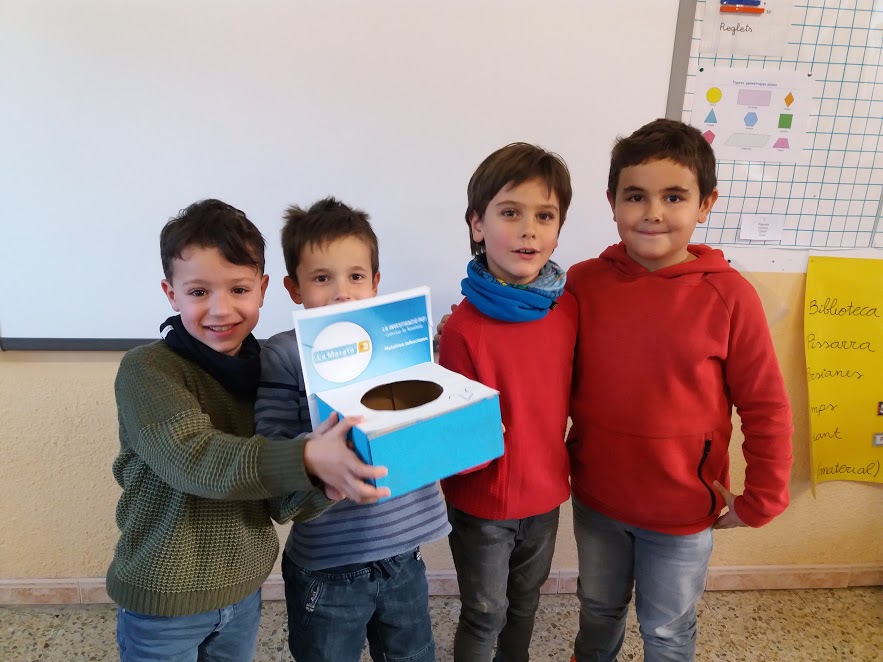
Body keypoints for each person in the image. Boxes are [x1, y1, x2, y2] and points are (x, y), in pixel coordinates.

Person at [107, 198, 388, 662]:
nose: (221, 309)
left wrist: (327, 483)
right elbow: (193, 459)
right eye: (199, 292)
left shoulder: (265, 371)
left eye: (238, 289)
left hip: (243, 594)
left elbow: (279, 502)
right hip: (162, 604)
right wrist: (306, 456)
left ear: (262, 290)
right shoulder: (148, 370)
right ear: (171, 294)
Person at [567, 119, 793, 661]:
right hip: (597, 500)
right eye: (635, 196)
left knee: (667, 630)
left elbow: (765, 406)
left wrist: (762, 499)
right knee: (597, 609)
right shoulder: (581, 283)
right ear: (612, 202)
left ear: (705, 204)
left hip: (683, 511)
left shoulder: (730, 296)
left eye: (674, 197)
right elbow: (540, 362)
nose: (653, 212)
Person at [254, 197, 451, 662]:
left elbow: (422, 418)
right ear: (294, 288)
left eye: (356, 277)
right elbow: (272, 449)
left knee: (413, 655)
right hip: (328, 565)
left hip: (404, 552)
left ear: (376, 282)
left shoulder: (399, 342)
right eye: (322, 278)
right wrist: (317, 449)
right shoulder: (283, 355)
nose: (342, 293)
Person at [438, 143, 578, 661]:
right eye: (510, 213)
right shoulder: (462, 327)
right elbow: (456, 435)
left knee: (525, 603)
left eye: (545, 216)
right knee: (484, 611)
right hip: (482, 503)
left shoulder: (568, 311)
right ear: (477, 224)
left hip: (545, 494)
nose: (529, 231)